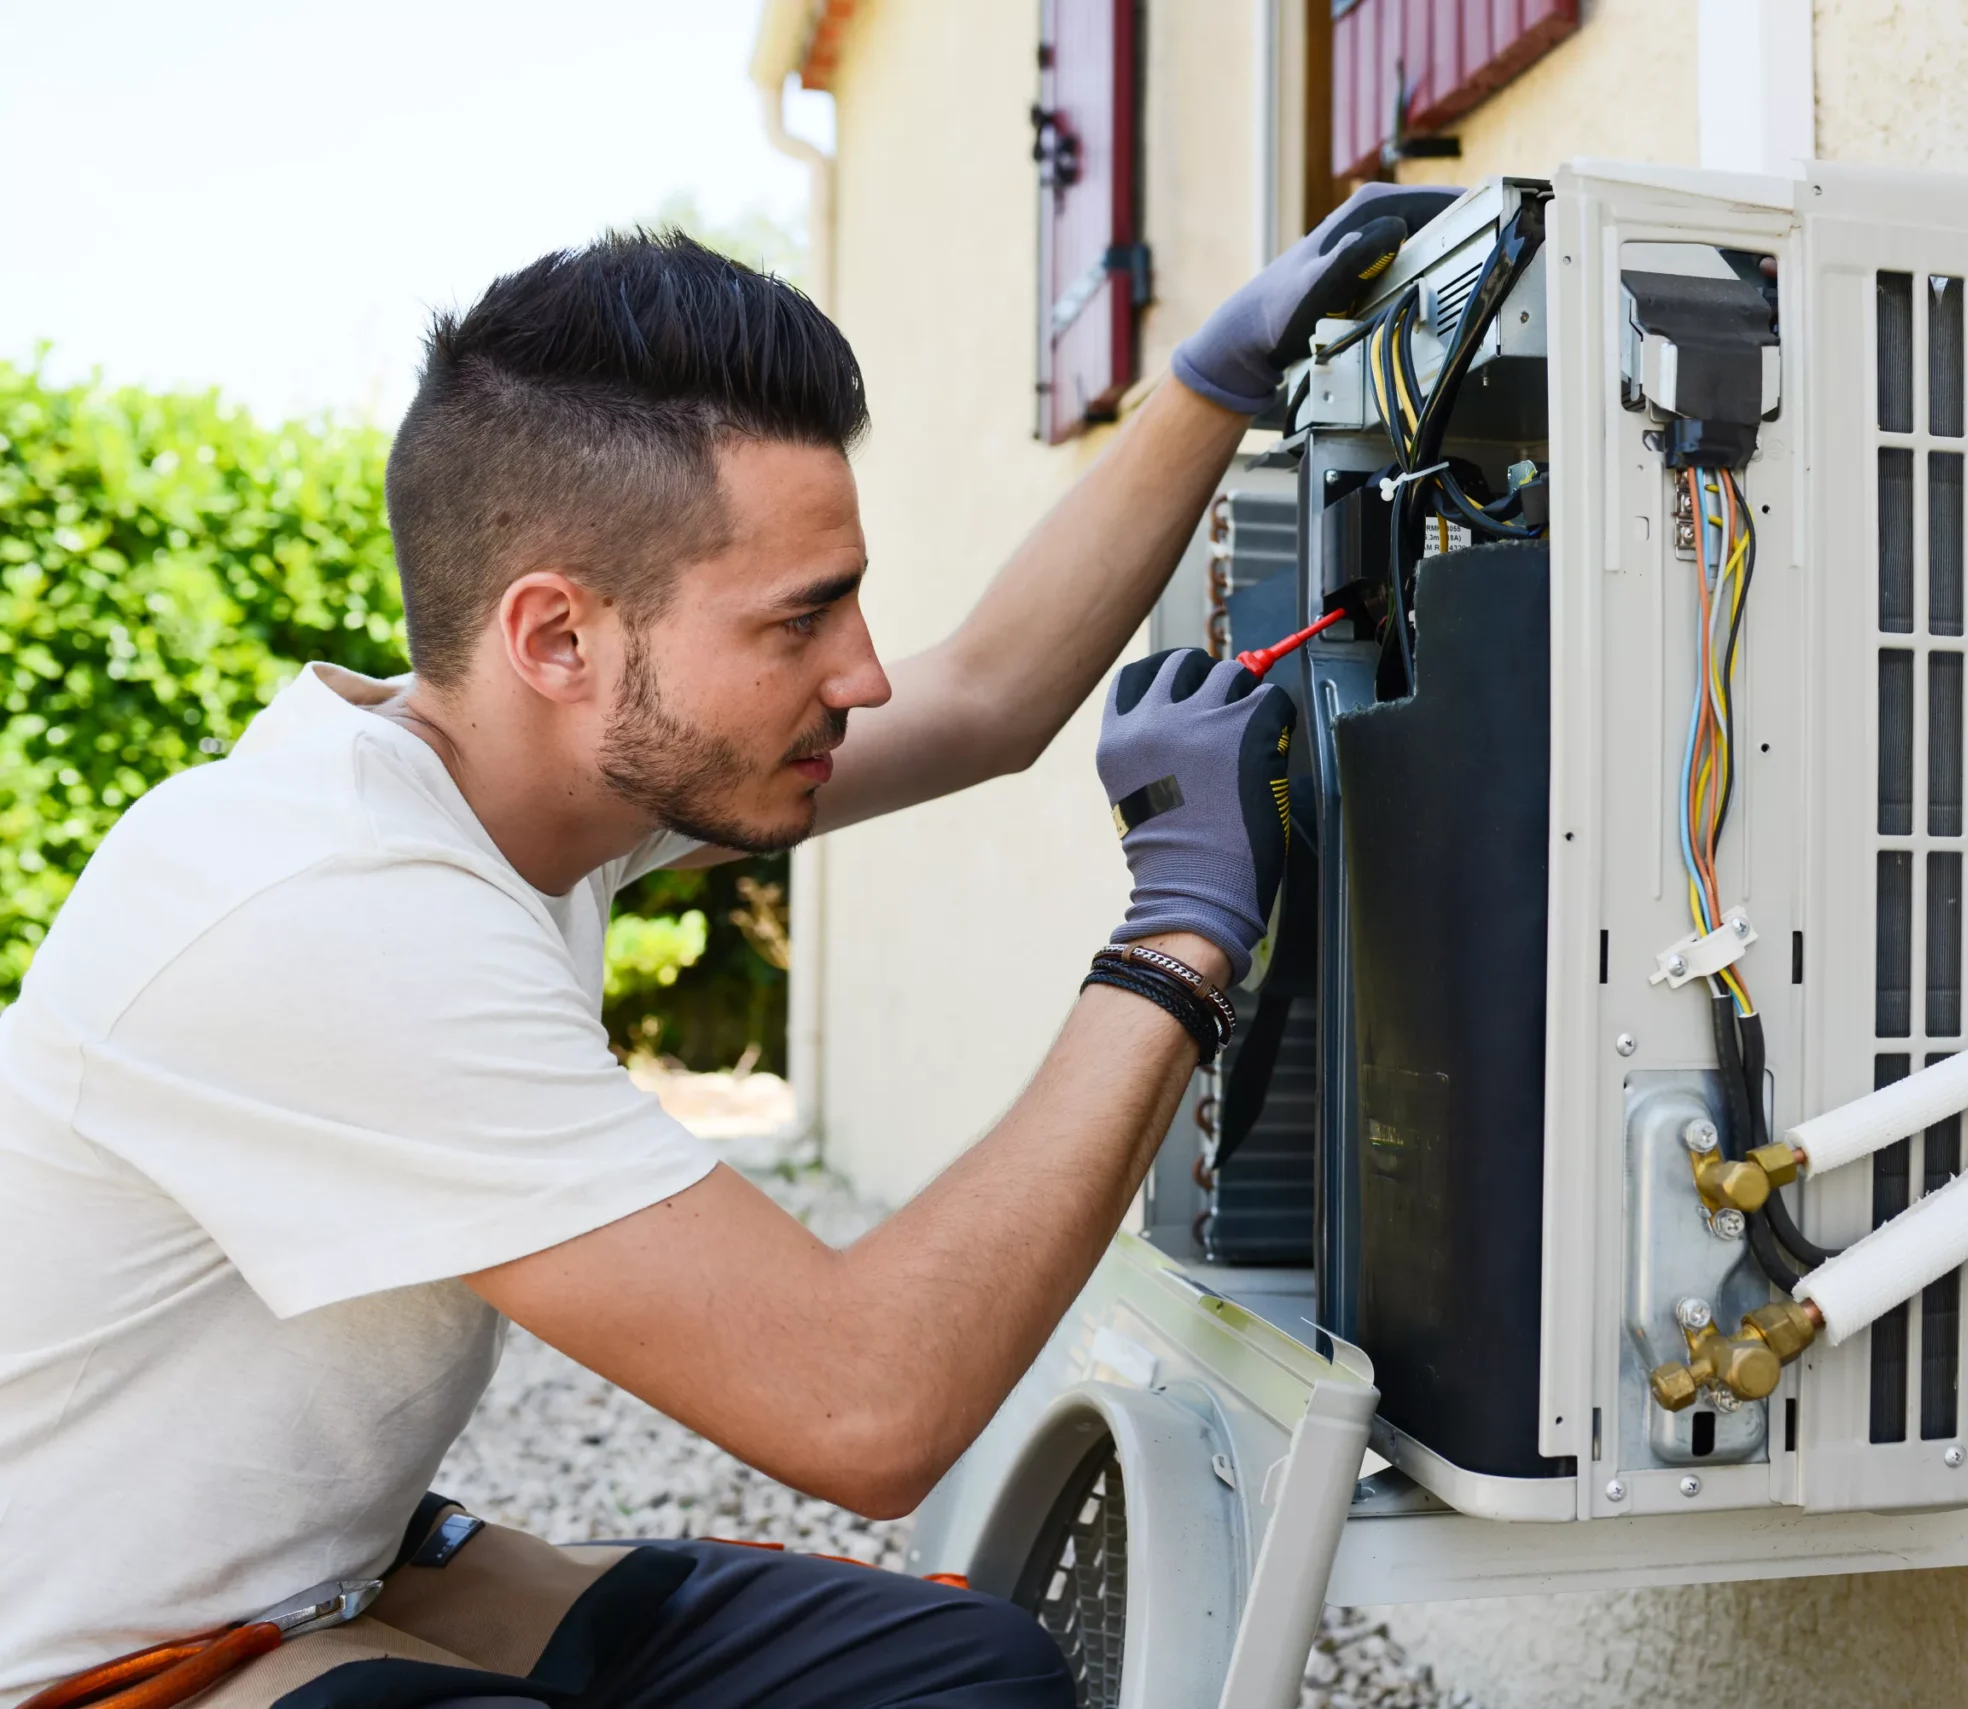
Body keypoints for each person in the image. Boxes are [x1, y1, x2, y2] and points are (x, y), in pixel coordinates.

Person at [0, 182, 1455, 1708]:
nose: (866, 673)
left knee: (963, 1676)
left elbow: (987, 698)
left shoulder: (517, 780)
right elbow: (868, 1408)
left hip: (326, 1570)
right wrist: (1179, 935)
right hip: (108, 1662)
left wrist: (1210, 385)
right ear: (557, 637)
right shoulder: (335, 916)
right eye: (799, 621)